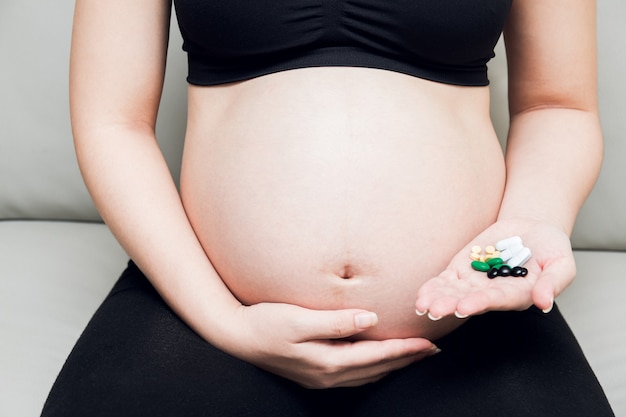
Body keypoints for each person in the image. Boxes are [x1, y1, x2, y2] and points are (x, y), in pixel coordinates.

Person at [41, 0, 615, 415]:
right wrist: (225, 322)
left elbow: (556, 105)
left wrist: (527, 230)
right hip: (202, 301)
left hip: (471, 311)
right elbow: (112, 122)